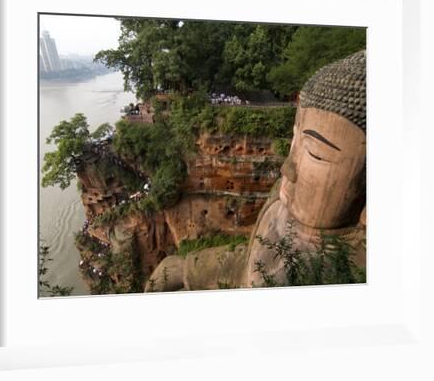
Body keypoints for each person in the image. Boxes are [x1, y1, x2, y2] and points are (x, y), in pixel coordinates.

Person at [145, 50, 367, 292]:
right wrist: (188, 268)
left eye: (315, 153)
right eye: (293, 140)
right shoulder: (282, 199)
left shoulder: (351, 274)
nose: (287, 168)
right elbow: (251, 261)